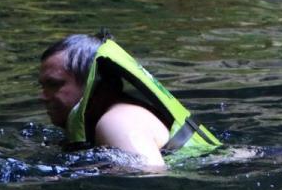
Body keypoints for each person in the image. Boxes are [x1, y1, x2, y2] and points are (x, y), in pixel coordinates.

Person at [39, 32, 220, 169]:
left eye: (54, 84)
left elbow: (150, 176)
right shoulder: (106, 116)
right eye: (42, 86)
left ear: (90, 83)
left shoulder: (117, 121)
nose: (43, 97)